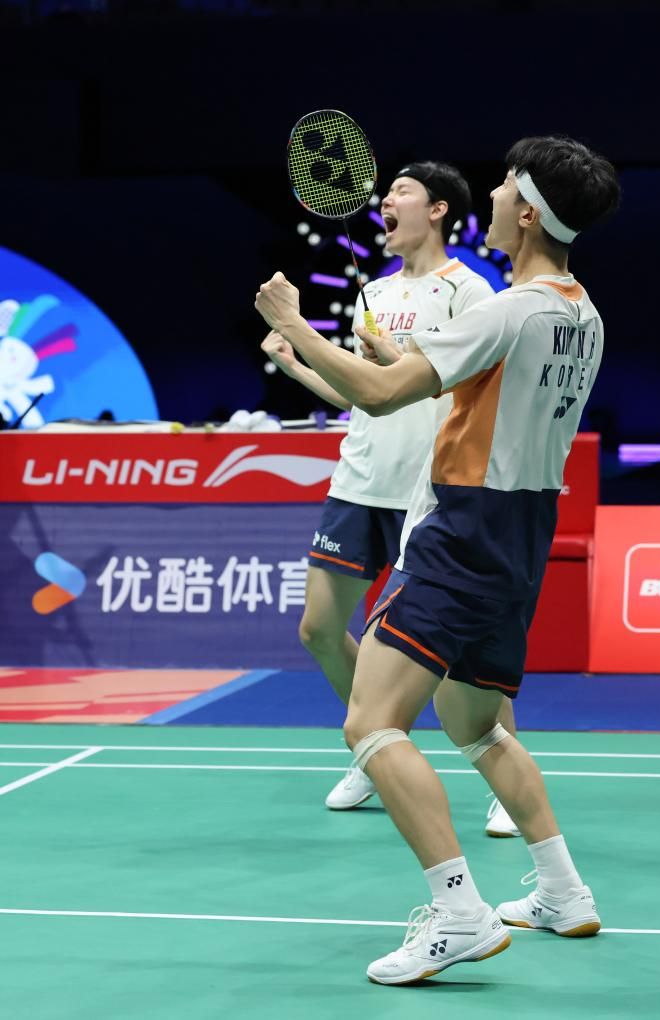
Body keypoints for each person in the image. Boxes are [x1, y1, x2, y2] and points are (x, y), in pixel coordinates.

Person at [255, 135, 621, 985]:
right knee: (477, 726)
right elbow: (463, 387)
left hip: (460, 528)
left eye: (504, 185)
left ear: (526, 212)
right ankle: (563, 891)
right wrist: (385, 357)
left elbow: (383, 397)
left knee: (370, 721)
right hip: (523, 532)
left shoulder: (504, 308)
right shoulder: (581, 314)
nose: (492, 194)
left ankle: (457, 911)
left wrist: (292, 325)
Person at [263, 162, 519, 837]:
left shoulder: (471, 291)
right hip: (360, 479)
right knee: (319, 630)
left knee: (457, 654)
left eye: (403, 191)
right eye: (388, 192)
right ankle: (376, 746)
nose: (386, 200)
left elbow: (471, 387)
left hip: (428, 487)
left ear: (437, 210)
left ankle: (504, 778)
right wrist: (296, 364)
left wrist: (401, 361)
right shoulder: (371, 292)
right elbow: (361, 394)